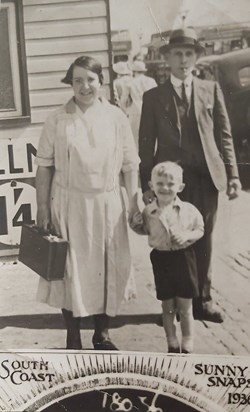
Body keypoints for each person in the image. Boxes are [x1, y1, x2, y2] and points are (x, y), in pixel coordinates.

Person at [35, 55, 140, 350]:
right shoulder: (57, 119)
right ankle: (73, 336)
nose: (84, 87)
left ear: (101, 82)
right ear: (71, 84)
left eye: (90, 80)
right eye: (77, 80)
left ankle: (102, 334)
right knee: (71, 270)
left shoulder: (116, 118)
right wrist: (42, 207)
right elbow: (43, 166)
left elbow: (130, 165)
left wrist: (133, 207)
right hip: (69, 204)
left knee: (106, 266)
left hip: (107, 204)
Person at [139, 28, 241, 323]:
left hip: (206, 179)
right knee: (171, 239)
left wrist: (233, 175)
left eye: (188, 54)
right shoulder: (153, 97)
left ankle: (202, 301)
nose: (183, 60)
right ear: (167, 59)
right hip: (170, 184)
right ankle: (173, 305)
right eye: (177, 54)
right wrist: (146, 184)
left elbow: (224, 136)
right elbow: (145, 145)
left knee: (203, 238)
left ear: (196, 58)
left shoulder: (210, 90)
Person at [130, 162, 204, 353]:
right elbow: (144, 231)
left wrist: (187, 236)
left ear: (180, 187)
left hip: (184, 258)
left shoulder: (188, 210)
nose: (164, 188)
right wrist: (136, 224)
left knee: (185, 305)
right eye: (160, 183)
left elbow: (200, 230)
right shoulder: (149, 212)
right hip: (161, 259)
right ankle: (171, 341)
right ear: (151, 185)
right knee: (167, 305)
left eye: (170, 184)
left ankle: (188, 341)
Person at [125, 60, 157, 148]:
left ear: (134, 71)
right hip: (150, 112)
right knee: (151, 137)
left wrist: (125, 111)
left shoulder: (130, 83)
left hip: (135, 112)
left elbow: (123, 101)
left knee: (135, 139)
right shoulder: (151, 81)